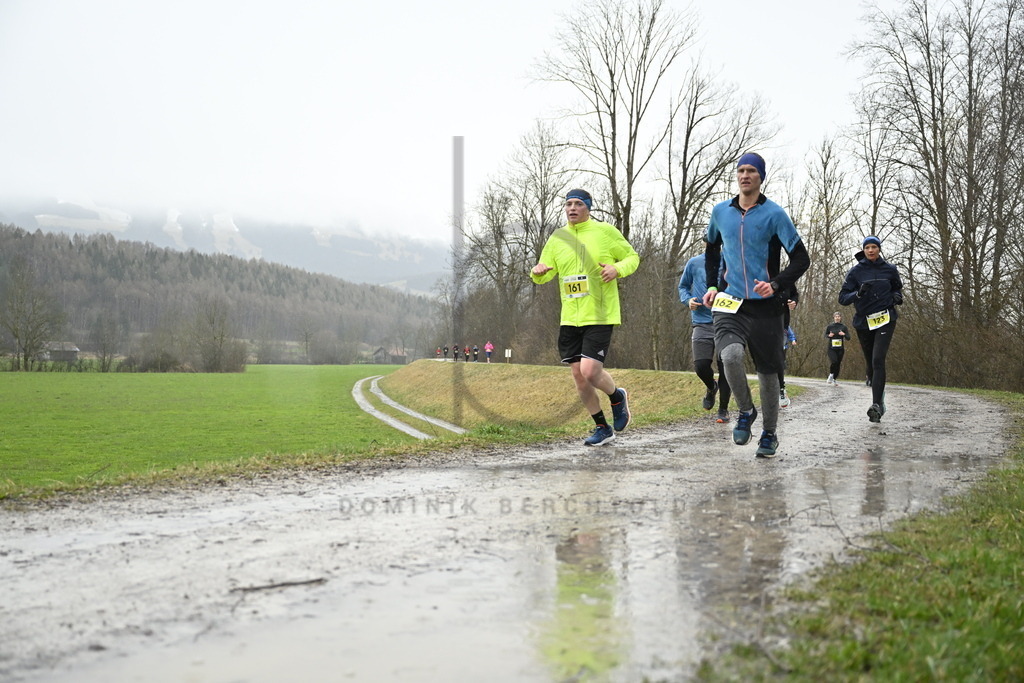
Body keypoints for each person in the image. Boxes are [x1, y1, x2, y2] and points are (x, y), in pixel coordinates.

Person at [701, 152, 810, 458]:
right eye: (741, 171)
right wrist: (711, 285)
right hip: (730, 300)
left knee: (768, 373)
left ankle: (769, 434)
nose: (745, 175)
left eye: (751, 171)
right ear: (736, 176)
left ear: (761, 177)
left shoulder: (775, 214)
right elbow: (711, 248)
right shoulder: (721, 211)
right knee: (730, 355)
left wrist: (776, 284)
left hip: (766, 305)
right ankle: (746, 411)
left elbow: (802, 258)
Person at [530, 188, 641, 446]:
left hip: (600, 314)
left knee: (590, 371)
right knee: (579, 377)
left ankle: (617, 397)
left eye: (578, 204)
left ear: (588, 208)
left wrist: (617, 269)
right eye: (568, 204)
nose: (572, 208)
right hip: (570, 317)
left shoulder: (604, 232)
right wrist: (537, 271)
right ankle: (602, 428)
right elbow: (545, 273)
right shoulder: (557, 238)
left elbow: (633, 257)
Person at [838, 235, 903, 422]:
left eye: (874, 247)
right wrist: (858, 293)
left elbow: (897, 289)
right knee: (870, 363)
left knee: (878, 359)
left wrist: (897, 297)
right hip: (864, 322)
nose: (871, 250)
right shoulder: (856, 272)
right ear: (863, 250)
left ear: (879, 249)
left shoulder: (890, 270)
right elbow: (842, 298)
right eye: (868, 247)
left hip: (885, 319)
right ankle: (880, 400)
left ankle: (876, 405)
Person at [678, 253, 732, 422]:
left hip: (727, 321)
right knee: (701, 366)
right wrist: (688, 301)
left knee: (726, 367)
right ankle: (711, 387)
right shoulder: (694, 263)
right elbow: (683, 287)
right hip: (701, 321)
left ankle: (723, 410)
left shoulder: (732, 261)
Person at [778, 286, 799, 408]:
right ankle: (771, 390)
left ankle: (781, 389)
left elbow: (794, 294)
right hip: (761, 323)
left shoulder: (786, 280)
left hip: (782, 326)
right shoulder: (757, 275)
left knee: (779, 359)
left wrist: (793, 302)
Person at [824, 311, 850, 385]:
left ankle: (835, 379)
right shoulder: (830, 326)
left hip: (840, 348)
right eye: (836, 316)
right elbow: (825, 335)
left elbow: (848, 338)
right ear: (834, 317)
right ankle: (831, 374)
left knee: (838, 363)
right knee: (834, 361)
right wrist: (829, 335)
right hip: (831, 348)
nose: (837, 318)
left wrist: (844, 334)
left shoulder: (843, 327)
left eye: (838, 316)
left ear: (840, 318)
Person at [778, 323, 796, 407]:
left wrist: (793, 340)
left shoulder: (785, 325)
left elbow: (791, 334)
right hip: (770, 348)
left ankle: (781, 390)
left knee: (780, 368)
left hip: (782, 349)